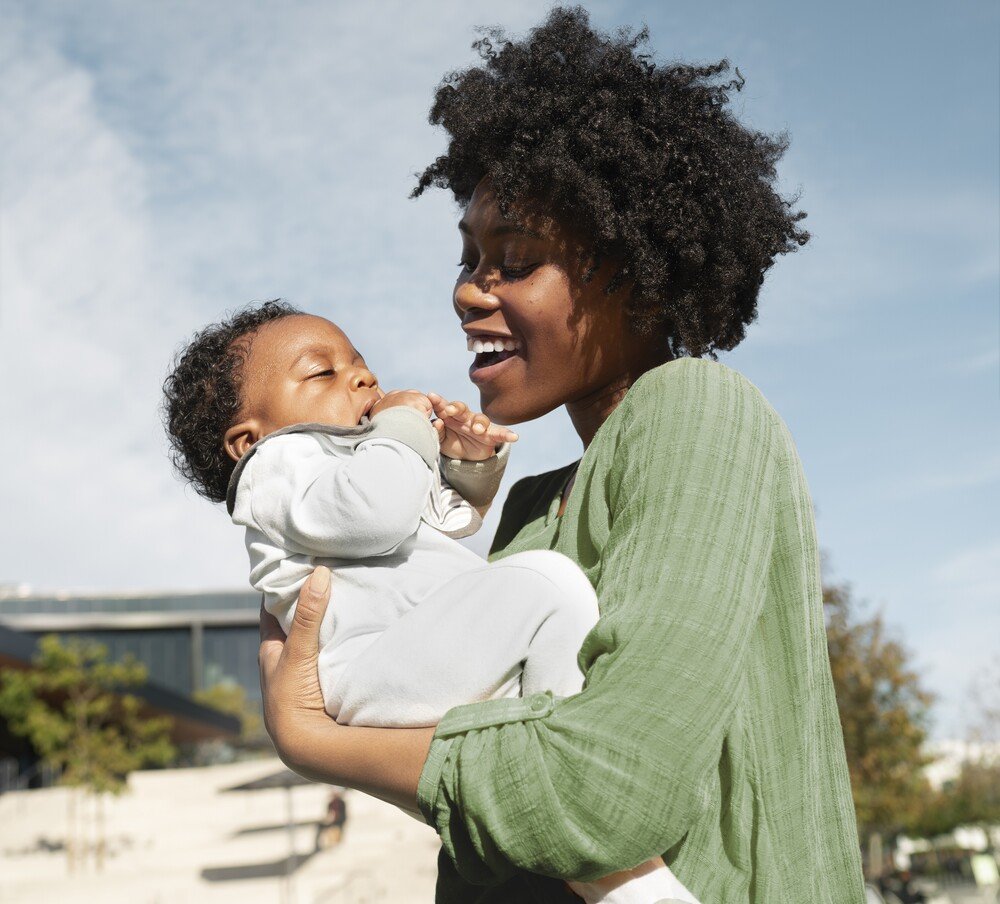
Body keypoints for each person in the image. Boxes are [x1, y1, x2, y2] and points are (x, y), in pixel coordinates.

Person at [256, 7, 867, 903]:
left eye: (516, 258)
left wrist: (316, 740)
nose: (470, 290)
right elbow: (506, 781)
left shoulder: (696, 411)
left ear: (635, 267)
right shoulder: (538, 500)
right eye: (469, 257)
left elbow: (608, 792)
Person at [162, 303, 699, 904]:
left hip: (415, 650)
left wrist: (467, 463)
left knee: (545, 619)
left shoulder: (361, 457)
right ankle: (582, 790)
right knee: (548, 585)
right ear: (247, 439)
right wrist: (402, 428)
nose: (361, 379)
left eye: (360, 365)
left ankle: (599, 851)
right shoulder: (277, 466)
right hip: (368, 663)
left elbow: (446, 519)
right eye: (322, 374)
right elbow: (377, 513)